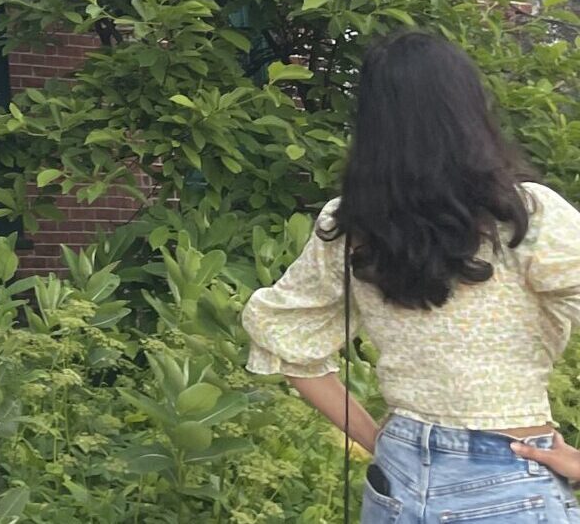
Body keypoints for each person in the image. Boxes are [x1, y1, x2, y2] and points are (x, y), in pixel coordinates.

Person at [243, 30, 580, 519]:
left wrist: (376, 439)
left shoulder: (353, 224)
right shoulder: (523, 216)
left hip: (395, 476)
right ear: (467, 109)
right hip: (509, 478)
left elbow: (283, 333)